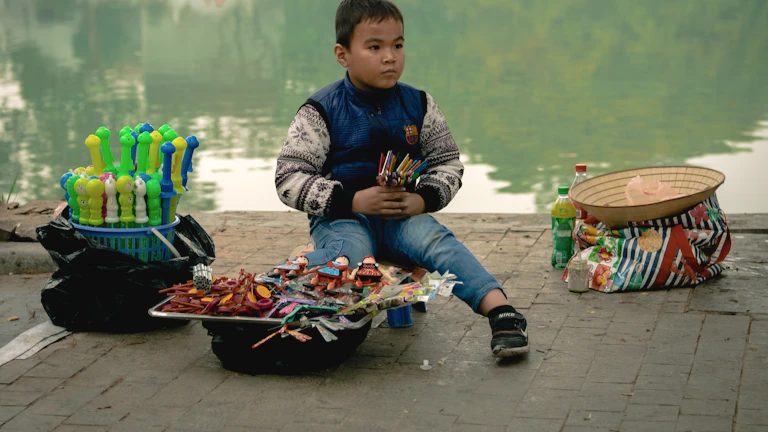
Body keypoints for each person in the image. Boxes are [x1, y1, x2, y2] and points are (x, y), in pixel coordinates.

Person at [275, 0, 528, 357]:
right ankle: (278, 284)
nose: (390, 56)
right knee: (353, 255)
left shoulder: (419, 105)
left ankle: (502, 313)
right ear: (342, 54)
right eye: (374, 47)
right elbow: (288, 178)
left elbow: (448, 164)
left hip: (401, 218)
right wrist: (352, 200)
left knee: (436, 242)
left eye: (398, 44)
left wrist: (422, 199)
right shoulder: (320, 110)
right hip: (341, 220)